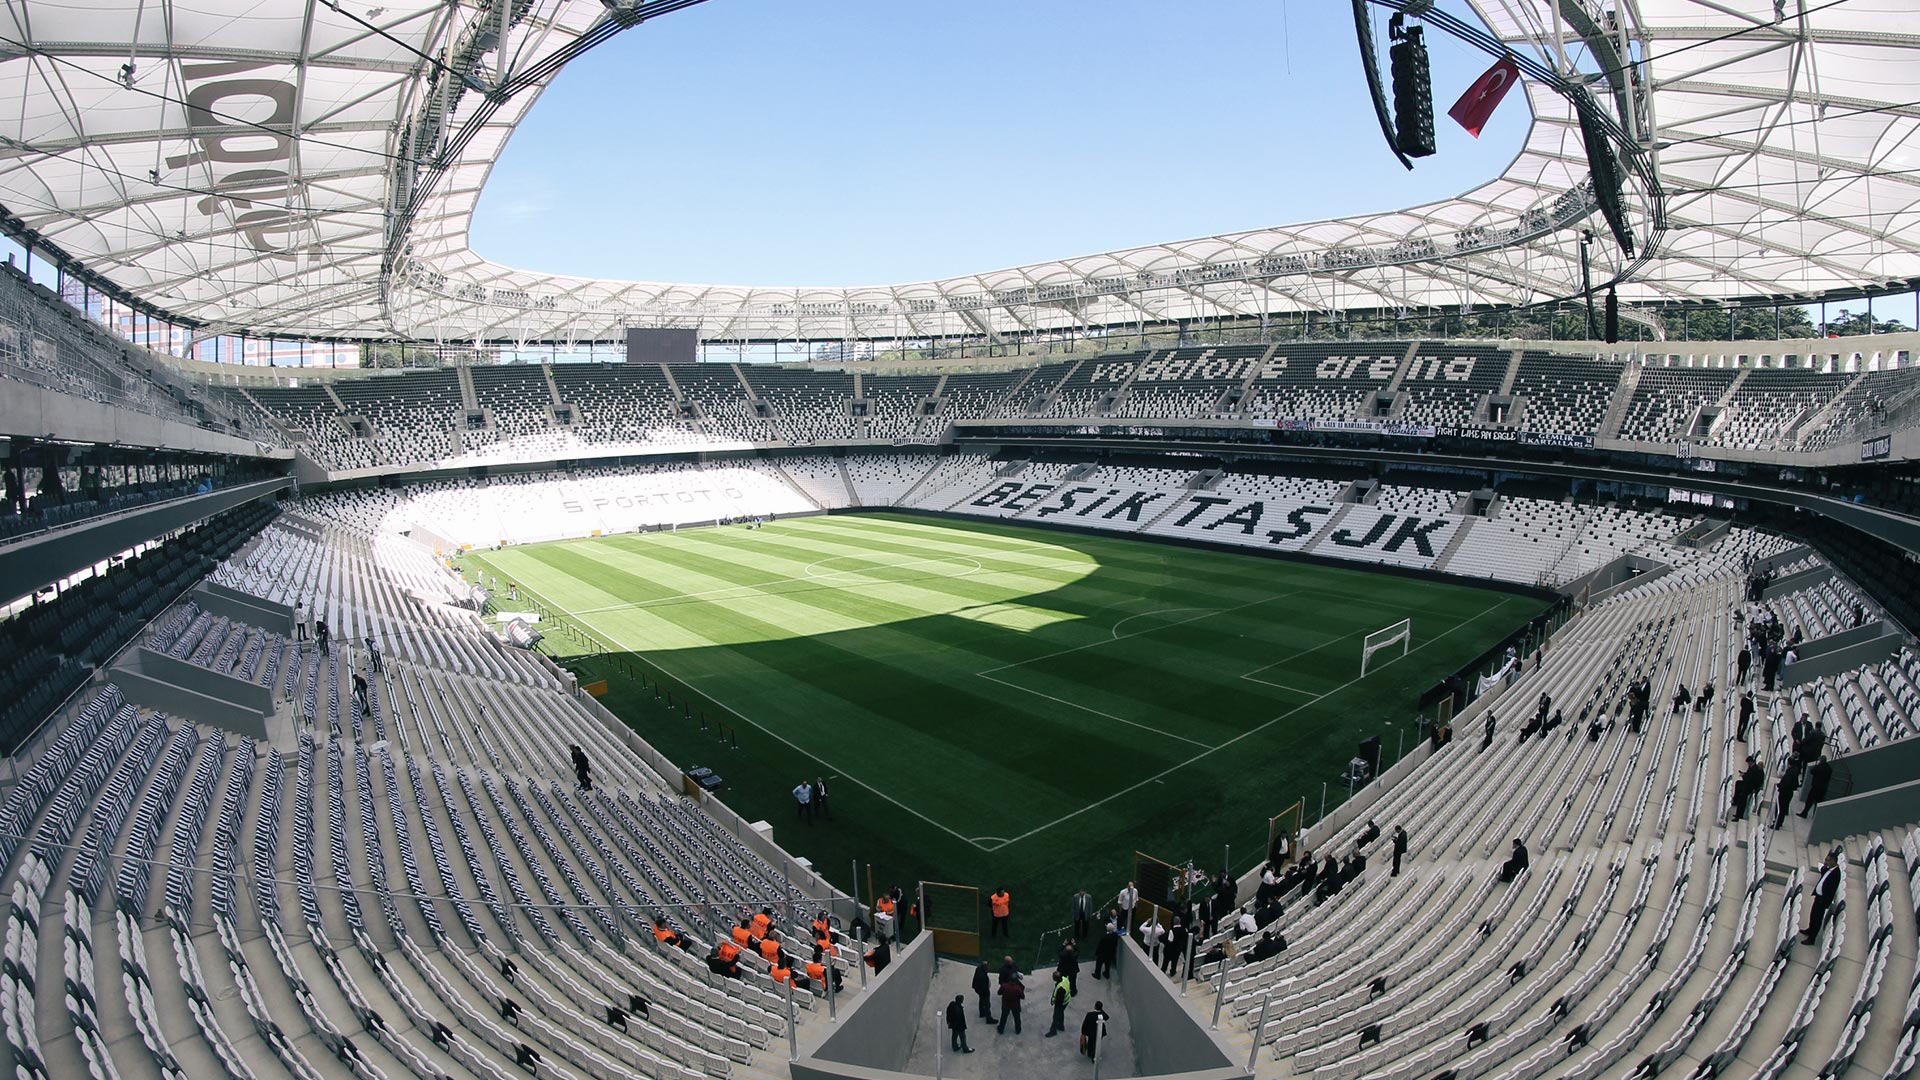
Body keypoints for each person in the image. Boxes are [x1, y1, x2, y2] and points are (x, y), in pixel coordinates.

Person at [1802, 850, 1842, 944]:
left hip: (1822, 901)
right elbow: (1823, 875)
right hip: (1818, 897)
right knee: (1812, 915)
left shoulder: (1836, 873)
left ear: (1833, 861)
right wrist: (1824, 867)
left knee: (1817, 919)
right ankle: (1809, 930)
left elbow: (1831, 890)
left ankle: (1812, 938)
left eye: (1828, 860)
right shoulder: (1829, 869)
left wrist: (1824, 902)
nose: (1826, 861)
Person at [1772, 763, 1800, 830]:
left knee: (1780, 809)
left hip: (1784, 793)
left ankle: (1777, 824)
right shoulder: (1795, 774)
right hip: (1789, 793)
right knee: (1783, 809)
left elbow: (1786, 784)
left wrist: (1779, 785)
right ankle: (1779, 822)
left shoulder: (1789, 774)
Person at [1045, 970, 1071, 1036]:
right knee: (1061, 1013)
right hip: (1066, 1000)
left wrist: (1054, 1003)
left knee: (1055, 1017)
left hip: (1061, 1003)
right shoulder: (1065, 979)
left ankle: (1053, 1031)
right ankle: (1061, 1026)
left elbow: (1059, 1001)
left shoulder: (1060, 988)